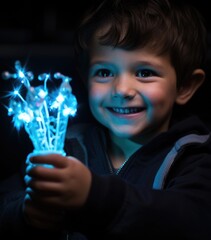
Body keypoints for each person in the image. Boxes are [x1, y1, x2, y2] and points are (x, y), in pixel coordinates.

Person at [1, 0, 211, 239]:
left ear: (185, 86)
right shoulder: (68, 145)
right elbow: (7, 201)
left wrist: (94, 196)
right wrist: (26, 214)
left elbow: (193, 220)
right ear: (84, 78)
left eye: (145, 73)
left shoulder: (194, 157)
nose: (122, 89)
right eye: (104, 72)